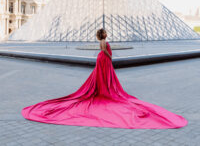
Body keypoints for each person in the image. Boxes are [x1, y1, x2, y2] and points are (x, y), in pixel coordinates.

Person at [21, 28, 188, 129]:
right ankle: (105, 90)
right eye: (105, 33)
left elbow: (103, 48)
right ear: (103, 34)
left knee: (103, 76)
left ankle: (103, 88)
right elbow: (104, 50)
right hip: (104, 59)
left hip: (102, 60)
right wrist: (109, 55)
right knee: (104, 76)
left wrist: (107, 54)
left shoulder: (104, 40)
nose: (106, 34)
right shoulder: (103, 42)